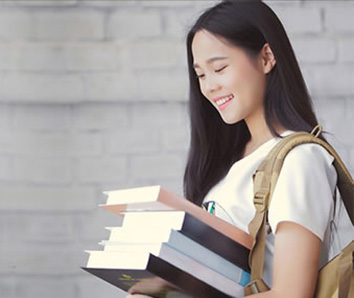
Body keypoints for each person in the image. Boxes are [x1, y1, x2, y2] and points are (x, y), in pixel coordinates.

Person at [128, 0, 353, 297]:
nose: (208, 87)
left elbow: (291, 294)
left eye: (219, 68)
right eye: (201, 75)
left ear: (267, 57)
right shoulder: (232, 161)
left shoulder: (299, 159)